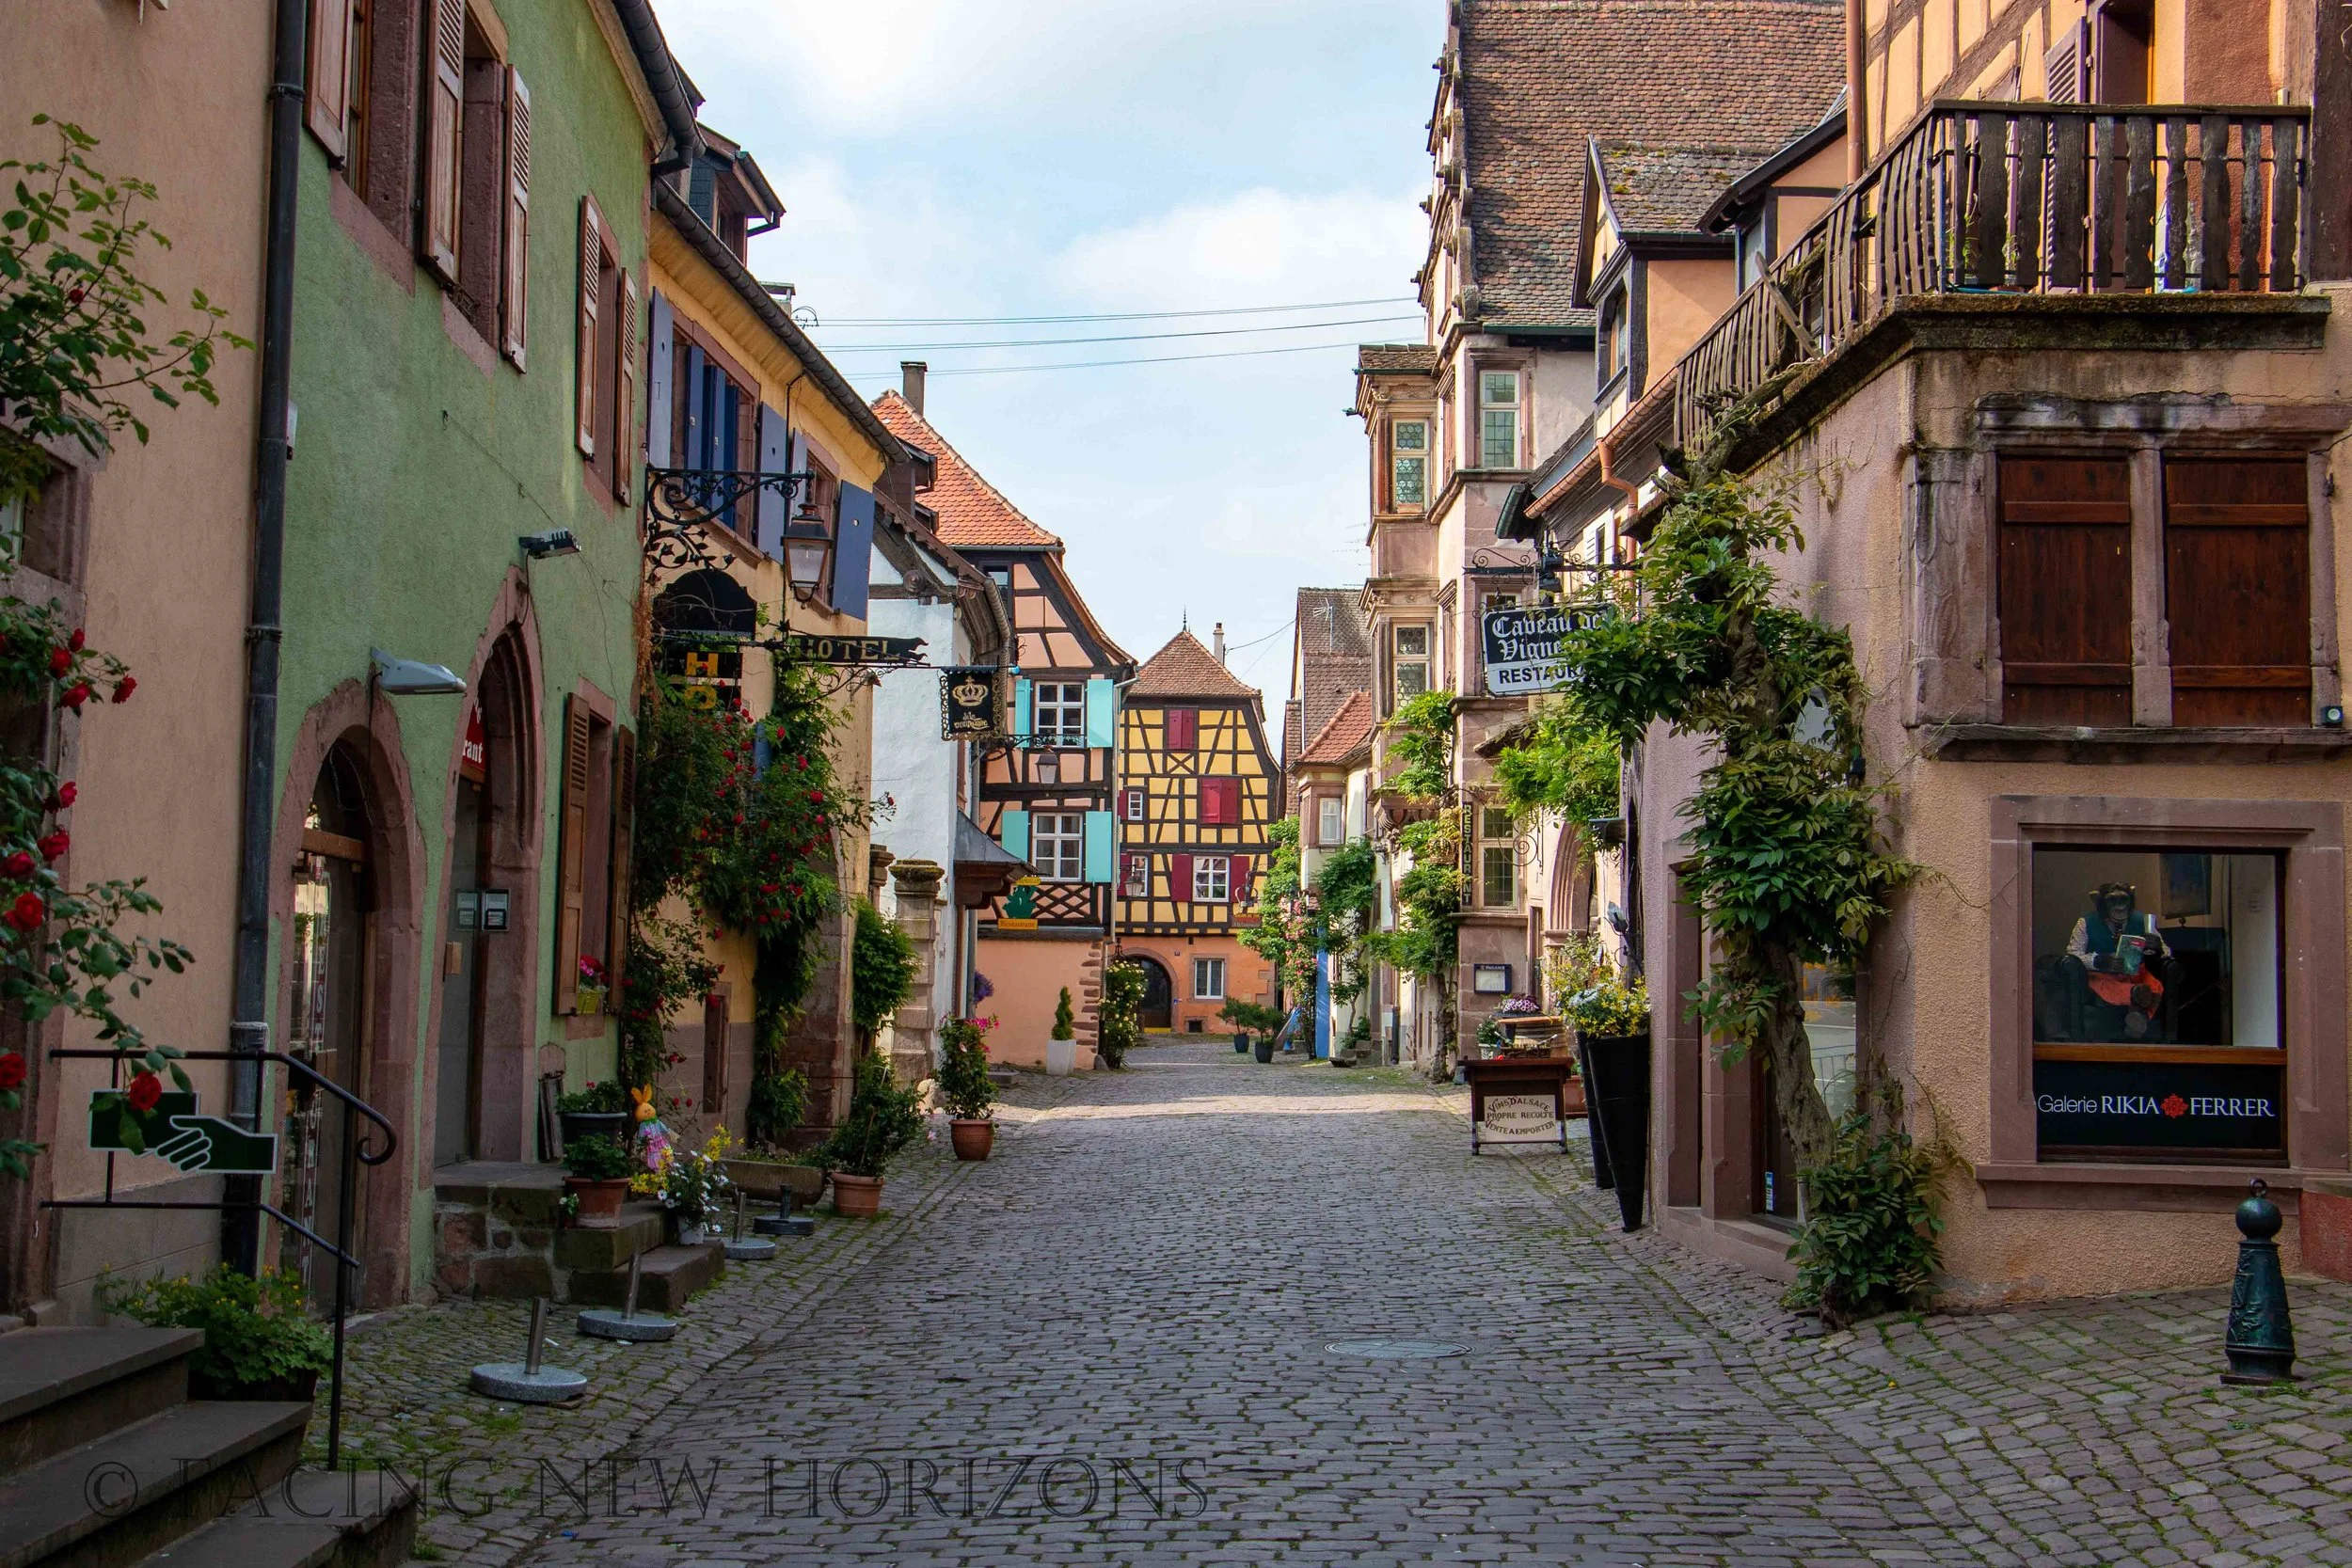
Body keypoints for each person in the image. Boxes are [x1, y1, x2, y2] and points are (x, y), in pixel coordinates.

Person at [2064, 882, 2169, 1040]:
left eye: (2123, 900)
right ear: (2100, 902)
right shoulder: (2086, 922)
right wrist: (2098, 961)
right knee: (2104, 985)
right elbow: (2072, 955)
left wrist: (2157, 948)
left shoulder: (2142, 920)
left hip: (2135, 973)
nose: (2120, 907)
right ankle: (2135, 997)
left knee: (2155, 985)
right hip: (2103, 975)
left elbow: (2167, 952)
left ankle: (2139, 1019)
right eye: (2113, 901)